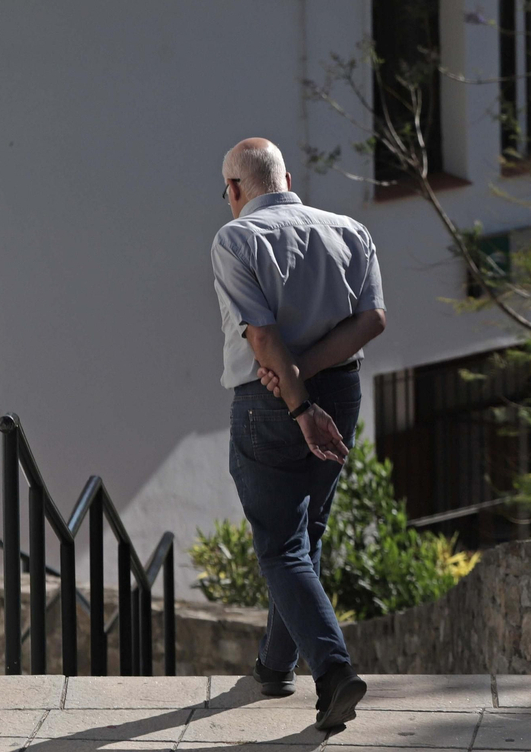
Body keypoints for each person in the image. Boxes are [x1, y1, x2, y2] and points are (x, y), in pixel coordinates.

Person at [212, 137, 387, 730]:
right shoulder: (351, 230)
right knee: (304, 536)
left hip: (270, 403)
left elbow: (261, 337)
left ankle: (334, 672)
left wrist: (296, 398)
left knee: (282, 545)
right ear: (287, 179)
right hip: (343, 391)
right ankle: (275, 665)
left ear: (235, 189)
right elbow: (373, 319)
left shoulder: (236, 238)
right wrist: (308, 377)